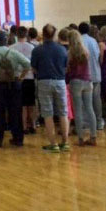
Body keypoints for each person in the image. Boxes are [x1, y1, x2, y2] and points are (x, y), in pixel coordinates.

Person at [31, 24, 70, 152]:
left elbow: (34, 68)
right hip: (60, 81)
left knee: (48, 113)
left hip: (44, 81)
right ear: (55, 34)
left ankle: (53, 144)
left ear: (42, 34)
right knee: (63, 112)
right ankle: (65, 142)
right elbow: (65, 67)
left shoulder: (37, 50)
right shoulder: (62, 49)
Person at [63, 28, 97, 146]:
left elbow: (68, 69)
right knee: (89, 109)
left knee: (78, 110)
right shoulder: (85, 51)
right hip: (88, 81)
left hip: (75, 81)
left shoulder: (70, 53)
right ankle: (93, 136)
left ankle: (81, 138)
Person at [78, 22, 104, 131]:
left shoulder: (79, 41)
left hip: (84, 75)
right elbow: (99, 57)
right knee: (96, 99)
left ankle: (86, 123)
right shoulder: (94, 41)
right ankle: (99, 122)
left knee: (84, 101)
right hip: (95, 73)